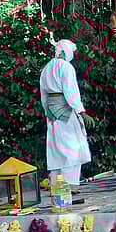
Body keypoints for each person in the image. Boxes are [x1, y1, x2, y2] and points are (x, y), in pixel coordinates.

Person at [40, 39, 94, 186]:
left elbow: (43, 95)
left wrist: (47, 112)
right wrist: (81, 111)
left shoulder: (46, 68)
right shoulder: (65, 67)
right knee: (72, 147)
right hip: (65, 111)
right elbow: (71, 92)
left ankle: (56, 184)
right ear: (65, 52)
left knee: (56, 148)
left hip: (52, 112)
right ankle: (69, 184)